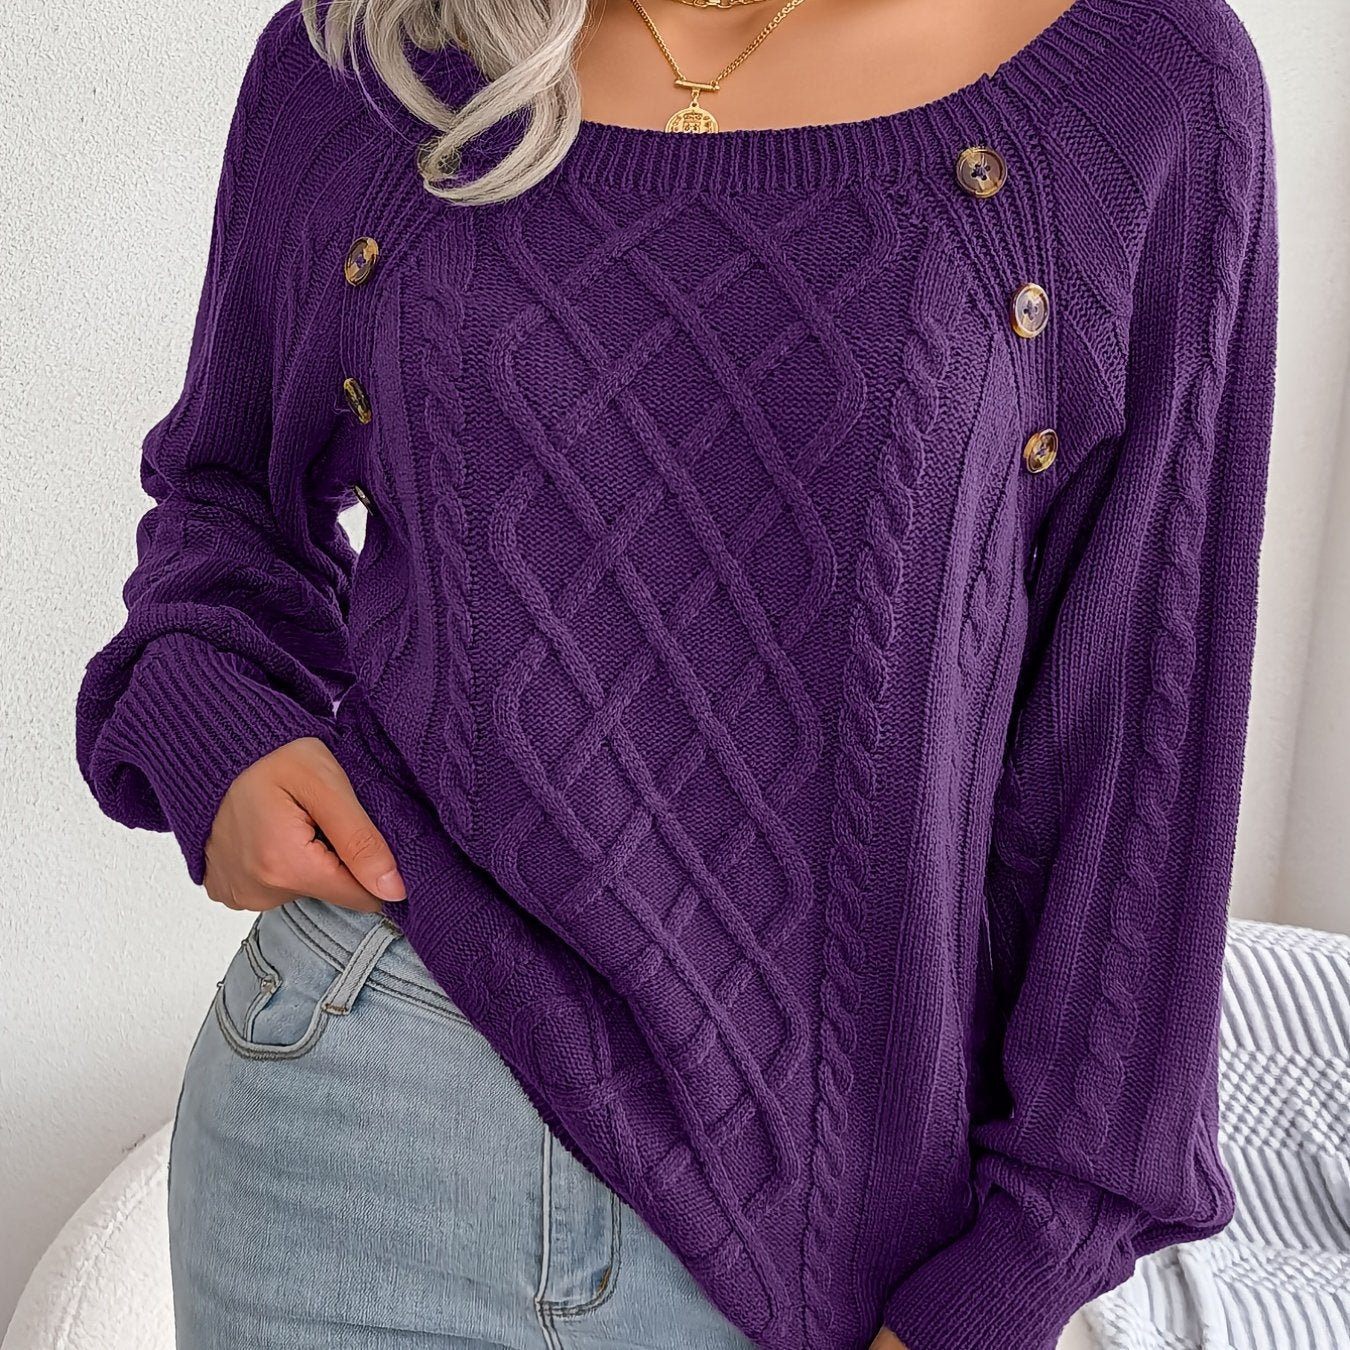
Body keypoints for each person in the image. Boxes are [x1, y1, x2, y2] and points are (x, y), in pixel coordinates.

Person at [72, 0, 1280, 1346]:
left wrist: (1014, 1272)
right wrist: (219, 731)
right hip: (356, 1120)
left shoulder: (1142, 88)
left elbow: (1142, 749)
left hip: (818, 1250)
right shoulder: (375, 55)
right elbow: (223, 500)